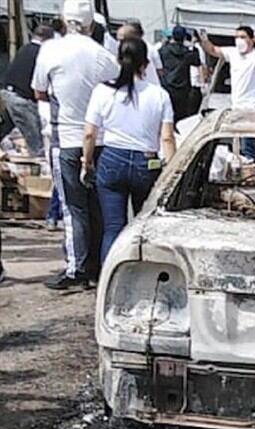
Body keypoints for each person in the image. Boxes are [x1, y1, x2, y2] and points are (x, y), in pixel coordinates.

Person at [31, 0, 119, 290]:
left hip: (66, 139)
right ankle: (95, 265)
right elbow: (116, 84)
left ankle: (76, 269)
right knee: (96, 207)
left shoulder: (50, 50)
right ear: (90, 24)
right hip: (99, 140)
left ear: (63, 20)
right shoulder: (101, 55)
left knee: (72, 208)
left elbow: (39, 90)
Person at [83, 39, 175, 263]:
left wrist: (86, 163)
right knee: (144, 229)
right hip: (146, 162)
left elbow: (89, 134)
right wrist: (172, 173)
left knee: (113, 228)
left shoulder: (103, 91)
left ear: (118, 60)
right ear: (145, 64)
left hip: (112, 159)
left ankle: (108, 282)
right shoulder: (160, 95)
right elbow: (167, 137)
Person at [198, 25, 255, 158]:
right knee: (236, 146)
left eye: (242, 37)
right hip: (236, 107)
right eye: (236, 37)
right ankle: (242, 171)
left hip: (251, 108)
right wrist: (204, 39)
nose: (238, 40)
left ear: (252, 39)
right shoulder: (233, 53)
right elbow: (213, 50)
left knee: (246, 146)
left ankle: (250, 171)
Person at [0, 25, 54, 157]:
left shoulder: (24, 48)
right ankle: (40, 173)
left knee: (4, 128)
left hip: (7, 94)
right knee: (36, 142)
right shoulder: (42, 53)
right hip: (22, 100)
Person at [159, 25, 201, 122]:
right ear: (184, 38)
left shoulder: (164, 51)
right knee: (180, 119)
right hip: (183, 89)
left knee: (165, 117)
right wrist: (193, 46)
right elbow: (197, 62)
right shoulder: (188, 53)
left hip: (166, 87)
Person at [115, 21, 164, 85]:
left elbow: (159, 69)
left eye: (121, 40)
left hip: (146, 86)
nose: (118, 43)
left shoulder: (148, 48)